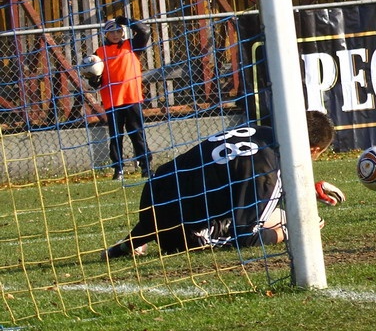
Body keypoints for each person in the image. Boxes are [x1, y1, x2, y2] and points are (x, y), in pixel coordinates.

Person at [101, 110, 345, 259]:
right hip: (184, 233)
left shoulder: (260, 132)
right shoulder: (268, 170)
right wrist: (293, 231)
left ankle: (132, 243)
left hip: (153, 196)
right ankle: (146, 239)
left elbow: (234, 175)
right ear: (313, 150)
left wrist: (307, 188)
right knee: (285, 220)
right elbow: (244, 238)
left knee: (269, 211)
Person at [88, 15, 153, 179]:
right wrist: (94, 79)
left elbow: (145, 31)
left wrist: (128, 21)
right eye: (112, 32)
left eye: (118, 30)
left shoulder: (132, 45)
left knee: (137, 133)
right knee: (116, 136)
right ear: (105, 35)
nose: (115, 35)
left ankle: (145, 166)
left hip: (132, 98)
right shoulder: (98, 54)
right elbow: (95, 82)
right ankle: (119, 169)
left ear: (123, 32)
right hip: (112, 101)